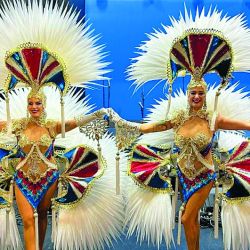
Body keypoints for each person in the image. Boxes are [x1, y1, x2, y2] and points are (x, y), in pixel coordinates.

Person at [108, 7, 250, 250]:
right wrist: (126, 124)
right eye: (193, 92)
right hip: (183, 176)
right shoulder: (177, 118)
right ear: (187, 95)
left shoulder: (214, 119)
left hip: (205, 175)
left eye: (200, 93)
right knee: (189, 221)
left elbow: (246, 124)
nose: (196, 96)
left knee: (185, 217)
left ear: (205, 96)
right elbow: (151, 127)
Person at [0, 89, 106, 250]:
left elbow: (75, 122)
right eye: (30, 103)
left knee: (42, 216)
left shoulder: (52, 126)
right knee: (28, 219)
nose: (34, 106)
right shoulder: (18, 125)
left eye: (38, 103)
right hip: (22, 179)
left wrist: (97, 113)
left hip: (48, 178)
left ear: (44, 105)